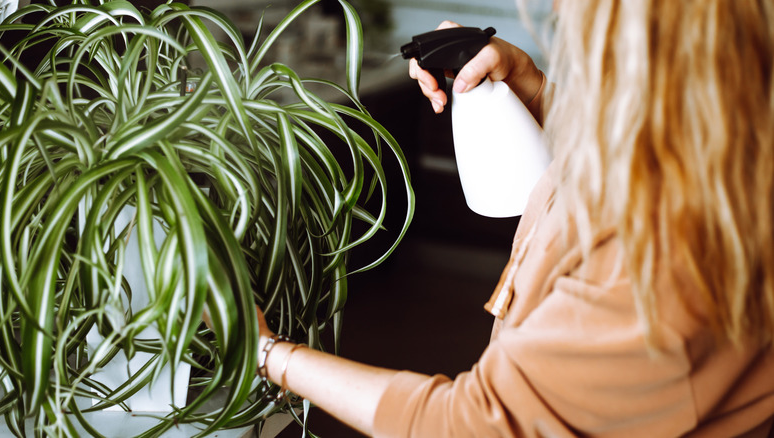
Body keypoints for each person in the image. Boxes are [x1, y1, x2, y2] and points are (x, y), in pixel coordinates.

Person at [253, 1, 774, 436]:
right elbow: (630, 165)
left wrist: (266, 350)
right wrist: (535, 90)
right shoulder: (729, 132)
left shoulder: (662, 262)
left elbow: (466, 426)